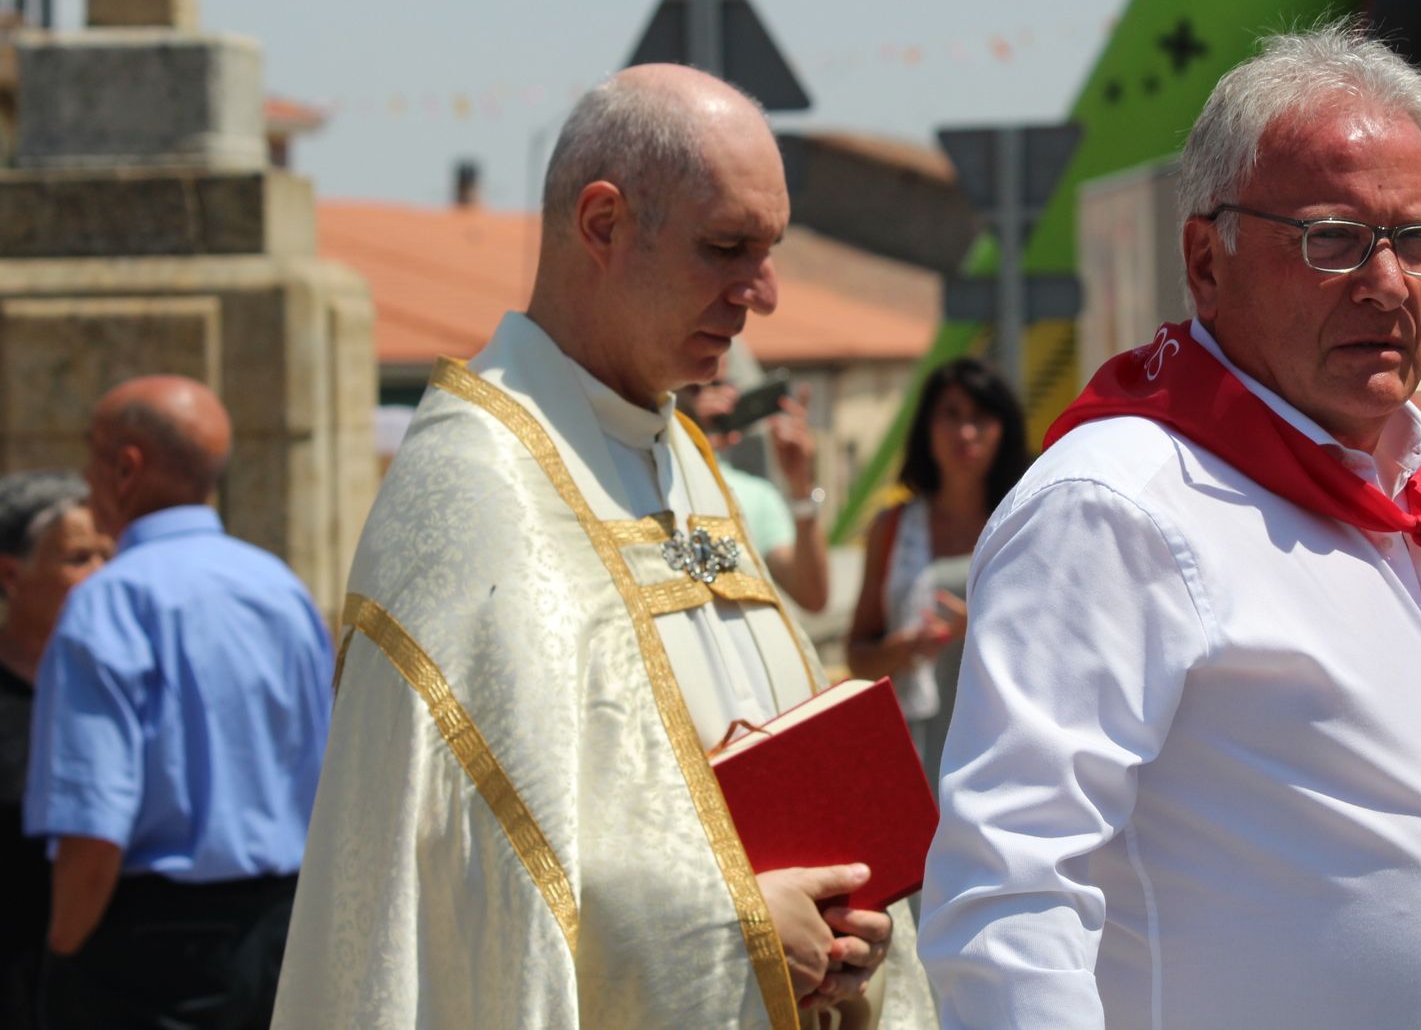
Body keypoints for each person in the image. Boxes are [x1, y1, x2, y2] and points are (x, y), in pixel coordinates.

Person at [920, 21, 1421, 1030]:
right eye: (1334, 238)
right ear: (1207, 260)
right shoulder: (1116, 506)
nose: (1388, 283)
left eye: (1418, 240)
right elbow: (1008, 891)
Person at [272, 65, 936, 1029]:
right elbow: (469, 892)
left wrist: (847, 919)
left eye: (770, 251)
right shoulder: (479, 486)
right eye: (727, 248)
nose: (764, 294)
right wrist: (742, 931)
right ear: (602, 223)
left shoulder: (687, 456)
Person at [23, 376, 333, 1030]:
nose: (85, 478)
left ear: (125, 467)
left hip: (149, 954)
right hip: (283, 937)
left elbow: (93, 828)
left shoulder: (109, 602)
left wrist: (60, 953)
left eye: (90, 455)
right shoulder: (281, 589)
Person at [845, 357, 1027, 793]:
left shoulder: (1026, 520)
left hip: (1005, 748)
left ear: (1004, 428)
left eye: (980, 417)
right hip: (911, 752)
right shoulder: (891, 527)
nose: (966, 433)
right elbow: (858, 657)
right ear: (926, 427)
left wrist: (981, 627)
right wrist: (905, 648)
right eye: (951, 415)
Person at [0, 472, 113, 1028]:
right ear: (11, 574)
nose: (101, 575)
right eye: (78, 559)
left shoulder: (119, 686)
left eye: (107, 556)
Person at [684, 359, 830, 611]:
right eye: (695, 389)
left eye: (719, 384)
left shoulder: (756, 494)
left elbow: (811, 597)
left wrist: (801, 485)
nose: (715, 398)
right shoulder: (638, 477)